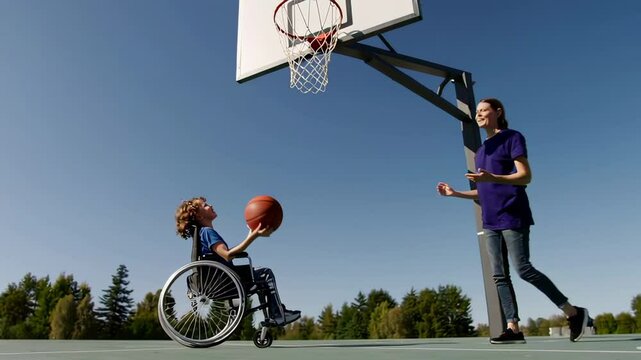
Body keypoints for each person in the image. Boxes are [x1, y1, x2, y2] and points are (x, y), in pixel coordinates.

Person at [436, 98, 589, 344]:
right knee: (499, 276)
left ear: (498, 112)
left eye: (484, 110)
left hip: (512, 213)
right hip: (490, 220)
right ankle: (513, 328)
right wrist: (455, 193)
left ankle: (573, 312)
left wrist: (493, 176)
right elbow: (483, 191)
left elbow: (525, 176)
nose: (479, 114)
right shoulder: (481, 151)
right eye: (477, 112)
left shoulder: (512, 137)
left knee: (524, 269)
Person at [175, 196, 301, 326]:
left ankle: (274, 312)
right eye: (205, 205)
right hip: (227, 283)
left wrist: (249, 236)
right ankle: (278, 315)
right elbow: (228, 255)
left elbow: (225, 254)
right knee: (265, 274)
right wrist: (254, 236)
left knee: (259, 275)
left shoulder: (202, 233)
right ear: (200, 216)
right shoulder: (208, 232)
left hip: (220, 281)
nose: (210, 205)